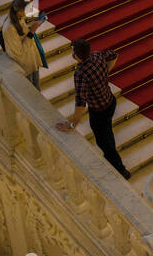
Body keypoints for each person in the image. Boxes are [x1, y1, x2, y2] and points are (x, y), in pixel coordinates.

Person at [56, 38, 131, 180]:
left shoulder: (81, 73)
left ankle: (121, 171)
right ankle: (111, 153)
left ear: (76, 55)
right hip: (110, 101)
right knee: (107, 131)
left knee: (103, 143)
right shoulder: (97, 56)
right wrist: (106, 71)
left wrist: (72, 124)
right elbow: (114, 55)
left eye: (72, 51)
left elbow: (80, 103)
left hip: (98, 111)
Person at [0, 0, 45, 90]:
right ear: (20, 10)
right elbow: (17, 53)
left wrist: (30, 29)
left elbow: (22, 35)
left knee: (37, 89)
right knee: (31, 92)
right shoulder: (9, 28)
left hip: (31, 60)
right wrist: (31, 31)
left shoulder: (19, 17)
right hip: (25, 65)